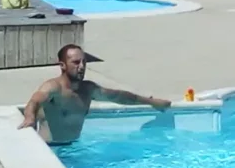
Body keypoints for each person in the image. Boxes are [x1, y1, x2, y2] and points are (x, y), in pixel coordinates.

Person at [19, 43, 169, 146]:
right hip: (50, 150)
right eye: (76, 62)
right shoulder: (54, 87)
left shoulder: (88, 89)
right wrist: (30, 117)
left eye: (84, 62)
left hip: (74, 148)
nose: (82, 67)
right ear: (62, 65)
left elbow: (118, 96)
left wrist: (152, 102)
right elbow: (35, 100)